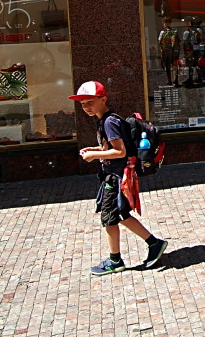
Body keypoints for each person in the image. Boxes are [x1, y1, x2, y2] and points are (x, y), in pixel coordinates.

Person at [70, 81, 168, 275]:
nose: (86, 107)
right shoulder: (104, 120)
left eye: (90, 102)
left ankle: (116, 260)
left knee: (110, 217)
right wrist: (95, 149)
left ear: (103, 99)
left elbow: (120, 151)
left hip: (116, 177)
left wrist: (94, 156)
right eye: (82, 104)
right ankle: (153, 244)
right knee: (119, 215)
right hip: (114, 175)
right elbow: (112, 147)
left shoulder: (109, 122)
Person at [157, 17, 179, 86]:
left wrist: (162, 52)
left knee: (168, 66)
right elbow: (178, 41)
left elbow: (160, 42)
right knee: (174, 66)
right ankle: (175, 80)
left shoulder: (163, 32)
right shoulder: (174, 31)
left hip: (166, 52)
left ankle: (170, 80)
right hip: (174, 52)